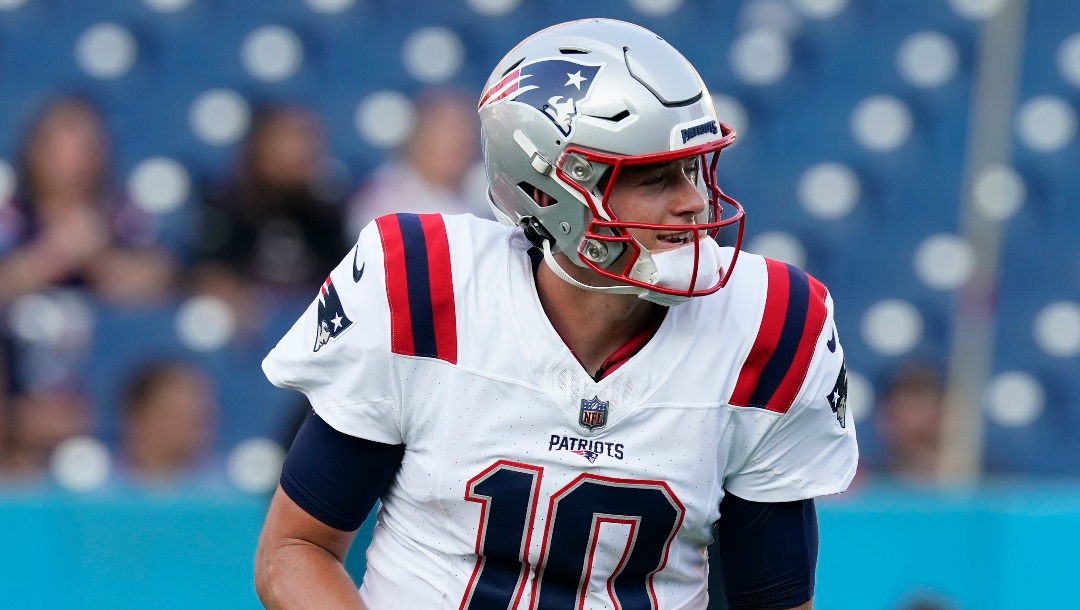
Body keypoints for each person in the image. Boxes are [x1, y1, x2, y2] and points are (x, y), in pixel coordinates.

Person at [256, 19, 857, 610]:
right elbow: (295, 550)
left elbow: (772, 603)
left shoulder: (769, 325)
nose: (694, 202)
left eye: (695, 168)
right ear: (547, 193)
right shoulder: (424, 285)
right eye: (652, 178)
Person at [0, 96, 176, 307]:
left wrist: (101, 262)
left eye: (88, 147)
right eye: (63, 150)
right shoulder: (12, 214)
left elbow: (162, 278)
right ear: (36, 153)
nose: (78, 163)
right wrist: (52, 256)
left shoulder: (122, 213)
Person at [345, 87, 489, 238]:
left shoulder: (488, 200)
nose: (459, 141)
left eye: (467, 130)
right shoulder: (382, 200)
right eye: (447, 130)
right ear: (417, 134)